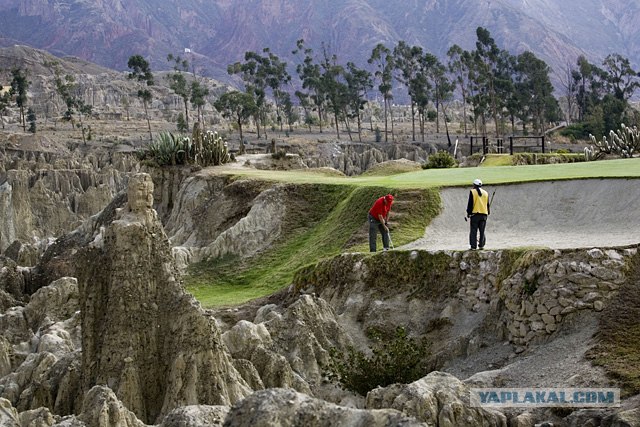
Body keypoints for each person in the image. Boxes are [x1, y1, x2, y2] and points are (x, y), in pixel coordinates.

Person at [466, 178, 489, 250]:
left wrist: (468, 213)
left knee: (473, 230)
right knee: (482, 231)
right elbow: (487, 205)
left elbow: (470, 203)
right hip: (484, 215)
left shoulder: (472, 192)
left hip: (475, 215)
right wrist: (488, 212)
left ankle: (473, 246)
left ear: (474, 185)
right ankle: (481, 245)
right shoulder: (486, 193)